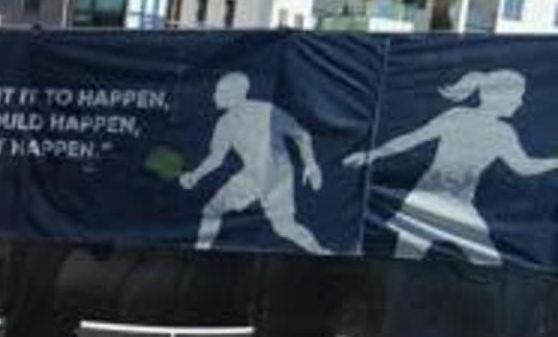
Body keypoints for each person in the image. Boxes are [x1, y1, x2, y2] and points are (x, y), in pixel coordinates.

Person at [342, 69, 550, 265]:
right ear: (501, 97)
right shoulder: (461, 118)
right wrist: (372, 155)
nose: (521, 102)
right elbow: (413, 138)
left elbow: (524, 167)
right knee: (407, 261)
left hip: (456, 206)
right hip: (426, 202)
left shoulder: (500, 131)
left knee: (487, 262)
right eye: (518, 96)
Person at [179, 69, 324, 253]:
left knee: (283, 227)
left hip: (278, 177)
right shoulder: (225, 123)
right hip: (252, 177)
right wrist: (195, 175)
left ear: (236, 95)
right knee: (213, 211)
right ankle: (201, 250)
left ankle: (320, 252)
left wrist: (311, 164)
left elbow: (301, 134)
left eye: (220, 92)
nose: (215, 95)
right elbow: (216, 158)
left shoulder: (267, 111)